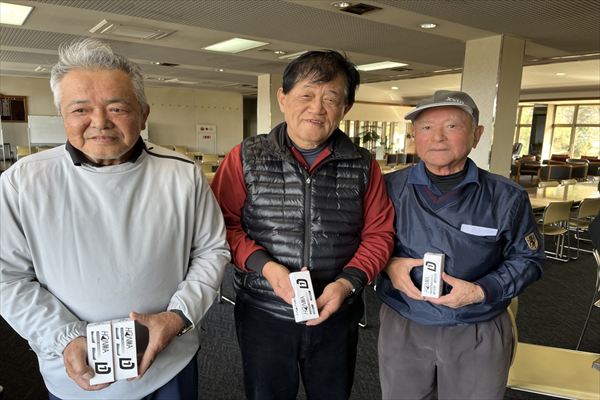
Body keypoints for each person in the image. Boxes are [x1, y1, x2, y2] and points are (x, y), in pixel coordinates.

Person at [0, 38, 230, 400]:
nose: (100, 122)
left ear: (144, 113)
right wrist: (64, 337)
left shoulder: (182, 174)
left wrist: (178, 317)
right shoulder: (23, 181)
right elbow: (8, 277)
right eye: (80, 109)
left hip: (168, 364)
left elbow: (211, 251)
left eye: (117, 108)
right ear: (62, 115)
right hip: (73, 370)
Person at [211, 50, 394, 399]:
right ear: (283, 98)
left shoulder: (364, 165)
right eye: (306, 95)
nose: (317, 108)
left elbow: (379, 234)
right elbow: (223, 225)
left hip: (337, 312)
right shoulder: (245, 156)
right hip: (264, 311)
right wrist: (267, 268)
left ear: (345, 108)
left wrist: (347, 284)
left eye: (331, 99)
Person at [377, 90, 544, 400]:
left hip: (477, 325)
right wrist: (387, 264)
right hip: (405, 321)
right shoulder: (388, 188)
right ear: (415, 135)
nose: (437, 137)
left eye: (452, 126)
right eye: (426, 127)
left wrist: (481, 291)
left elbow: (528, 259)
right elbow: (365, 241)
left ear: (476, 135)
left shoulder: (506, 197)